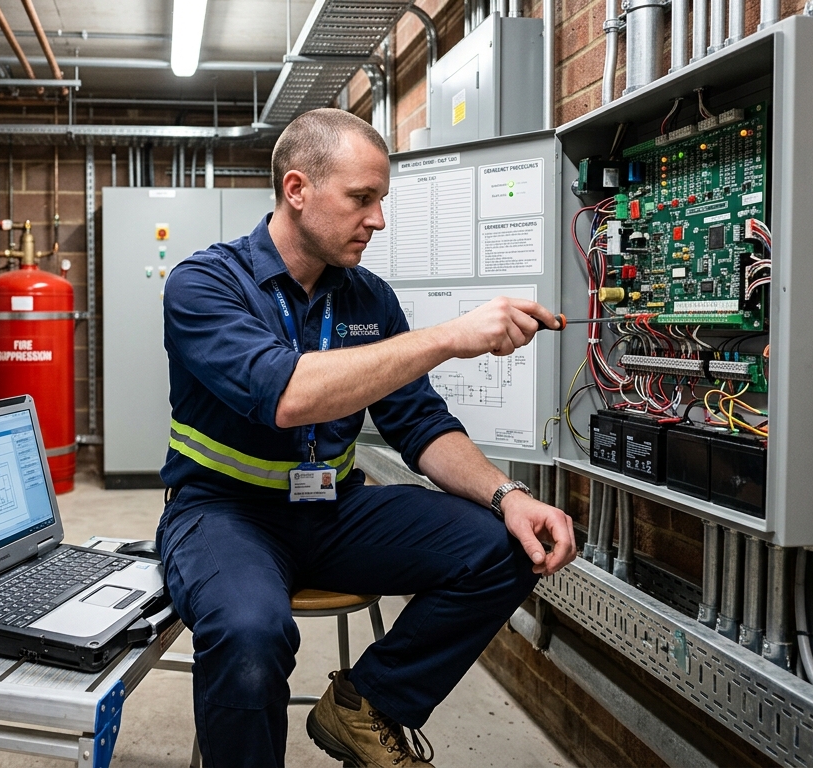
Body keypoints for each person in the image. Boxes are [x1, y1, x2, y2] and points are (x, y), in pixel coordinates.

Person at [156, 108, 577, 768]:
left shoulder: (368, 300)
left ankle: (366, 704)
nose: (377, 220)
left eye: (381, 200)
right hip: (223, 512)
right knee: (249, 632)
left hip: (333, 508)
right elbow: (287, 395)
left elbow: (420, 423)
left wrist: (507, 496)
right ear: (297, 190)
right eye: (361, 199)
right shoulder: (206, 285)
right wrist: (446, 337)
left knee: (502, 548)